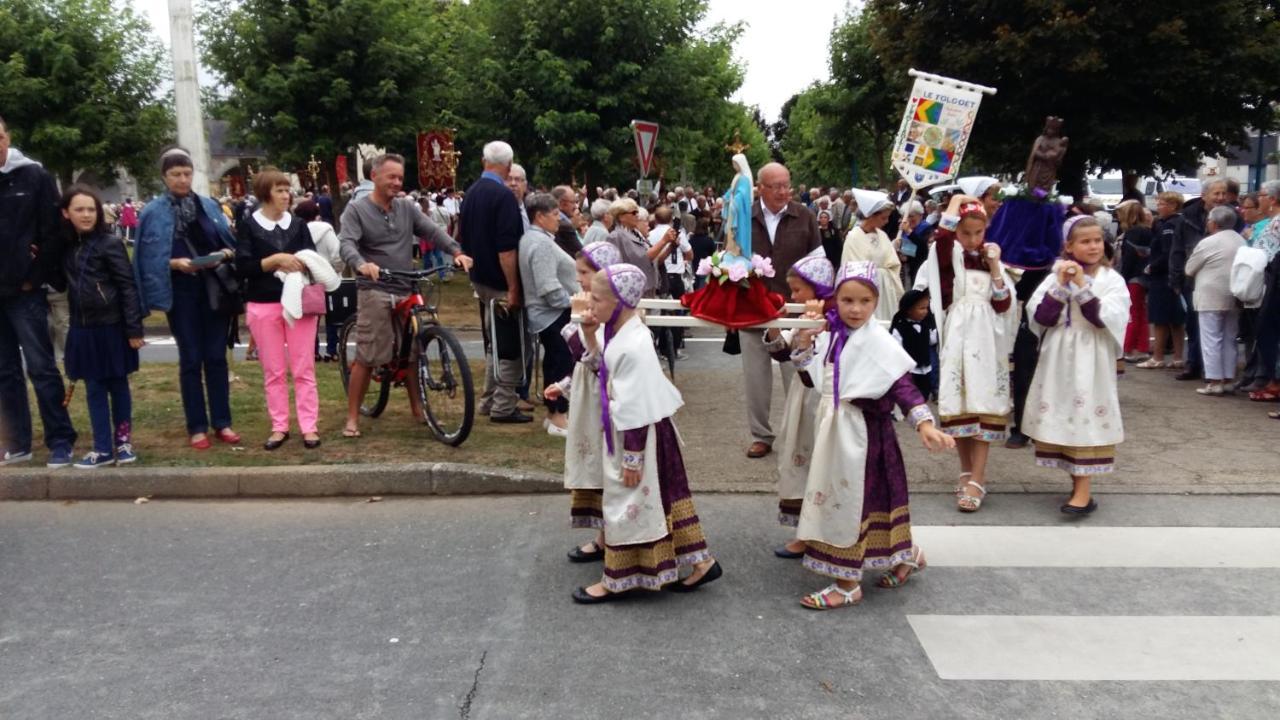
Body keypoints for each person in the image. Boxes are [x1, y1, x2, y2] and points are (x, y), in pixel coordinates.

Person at [789, 260, 954, 610]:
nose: (855, 308)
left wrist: (925, 423)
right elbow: (814, 378)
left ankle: (848, 584)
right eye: (847, 300)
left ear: (876, 302)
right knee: (871, 503)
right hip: (836, 431)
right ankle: (907, 555)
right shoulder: (832, 333)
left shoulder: (878, 341)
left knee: (852, 505)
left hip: (867, 439)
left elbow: (902, 386)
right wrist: (803, 343)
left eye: (864, 301)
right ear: (836, 298)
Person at [571, 263, 722, 603]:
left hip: (638, 436)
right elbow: (604, 374)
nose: (589, 304)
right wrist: (592, 334)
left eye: (596, 299)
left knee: (629, 500)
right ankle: (702, 562)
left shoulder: (633, 344)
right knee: (665, 497)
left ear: (620, 302)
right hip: (642, 432)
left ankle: (619, 577)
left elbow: (635, 404)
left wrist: (633, 457)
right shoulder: (621, 332)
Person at [339, 153, 469, 436]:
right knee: (368, 353)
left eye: (400, 177)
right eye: (391, 177)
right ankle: (352, 419)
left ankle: (417, 408)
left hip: (405, 284)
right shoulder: (357, 210)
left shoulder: (407, 208)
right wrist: (362, 264)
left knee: (412, 350)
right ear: (374, 176)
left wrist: (456, 251)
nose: (397, 183)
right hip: (375, 288)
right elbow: (346, 244)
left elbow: (432, 231)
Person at [134, 147, 241, 451]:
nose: (182, 179)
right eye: (175, 174)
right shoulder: (152, 211)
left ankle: (222, 421)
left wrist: (224, 254)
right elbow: (145, 257)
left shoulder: (208, 205)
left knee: (217, 357)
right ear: (164, 177)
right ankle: (196, 426)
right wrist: (174, 263)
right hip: (180, 292)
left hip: (212, 287)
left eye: (186, 173)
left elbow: (229, 242)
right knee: (191, 358)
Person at [916, 194, 1017, 512]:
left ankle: (978, 476)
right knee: (959, 404)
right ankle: (964, 469)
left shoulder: (991, 258)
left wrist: (994, 265)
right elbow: (942, 236)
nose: (972, 239)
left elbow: (1003, 302)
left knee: (984, 403)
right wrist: (957, 200)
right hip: (957, 339)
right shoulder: (949, 258)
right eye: (966, 232)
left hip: (987, 340)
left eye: (978, 232)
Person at [1023, 216, 1130, 514]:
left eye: (1097, 240)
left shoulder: (1112, 280)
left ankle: (1083, 491)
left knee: (1085, 416)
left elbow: (1101, 318)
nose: (1093, 246)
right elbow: (1042, 317)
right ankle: (1077, 482)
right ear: (1069, 246)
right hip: (1059, 357)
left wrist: (1082, 285)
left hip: (1091, 357)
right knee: (1065, 414)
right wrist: (1060, 285)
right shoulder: (1054, 275)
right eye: (1085, 241)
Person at [0, 118, 77, 467]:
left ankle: (60, 438)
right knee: (4, 371)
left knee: (41, 366)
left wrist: (34, 277)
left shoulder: (34, 176)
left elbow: (55, 232)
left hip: (24, 291)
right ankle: (18, 442)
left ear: (8, 138)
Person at [235, 169, 326, 451]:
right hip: (264, 304)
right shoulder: (249, 225)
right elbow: (243, 266)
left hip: (299, 303)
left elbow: (313, 259)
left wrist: (299, 262)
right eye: (280, 191)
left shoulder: (298, 224)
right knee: (273, 370)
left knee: (304, 368)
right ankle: (279, 426)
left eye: (288, 190)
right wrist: (274, 260)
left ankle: (309, 426)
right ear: (266, 194)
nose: (287, 196)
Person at [547, 241, 622, 564]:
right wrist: (564, 386)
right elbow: (583, 367)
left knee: (606, 466)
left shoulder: (614, 313)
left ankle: (615, 537)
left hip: (606, 403)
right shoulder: (589, 306)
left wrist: (576, 330)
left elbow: (600, 363)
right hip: (588, 398)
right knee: (593, 466)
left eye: (585, 272)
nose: (579, 278)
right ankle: (604, 536)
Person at [743, 162, 823, 459]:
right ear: (760, 188)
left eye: (786, 185)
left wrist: (815, 302)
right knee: (755, 379)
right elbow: (729, 259)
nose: (782, 191)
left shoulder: (805, 216)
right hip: (752, 308)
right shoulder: (743, 216)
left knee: (798, 375)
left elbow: (818, 262)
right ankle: (761, 435)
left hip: (795, 310)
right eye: (775, 186)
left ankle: (798, 434)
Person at [59, 186, 142, 468]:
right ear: (66, 213)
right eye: (79, 209)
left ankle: (124, 443)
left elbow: (127, 287)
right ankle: (103, 448)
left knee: (118, 385)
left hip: (113, 326)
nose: (86, 215)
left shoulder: (110, 243)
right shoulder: (65, 246)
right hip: (83, 328)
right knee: (93, 387)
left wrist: (133, 329)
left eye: (91, 209)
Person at [765, 254, 834, 556]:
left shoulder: (833, 321)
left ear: (818, 289)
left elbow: (814, 374)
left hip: (823, 400)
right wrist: (774, 327)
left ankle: (823, 532)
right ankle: (805, 533)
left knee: (822, 462)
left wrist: (808, 332)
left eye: (798, 291)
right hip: (802, 401)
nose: (793, 297)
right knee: (800, 460)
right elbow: (781, 353)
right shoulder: (803, 318)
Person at [456, 142, 526, 423]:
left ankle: (488, 399)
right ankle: (503, 404)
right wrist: (513, 287)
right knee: (509, 343)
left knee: (493, 342)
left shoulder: (471, 193)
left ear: (484, 161)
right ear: (508, 166)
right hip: (499, 279)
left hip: (480, 276)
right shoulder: (503, 196)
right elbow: (507, 250)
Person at [518, 193, 579, 435]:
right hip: (552, 313)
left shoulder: (537, 238)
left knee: (556, 360)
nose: (559, 219)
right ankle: (557, 415)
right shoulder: (540, 242)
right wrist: (572, 302)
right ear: (540, 217)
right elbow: (547, 285)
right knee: (562, 363)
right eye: (554, 215)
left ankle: (553, 412)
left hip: (550, 312)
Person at [1170, 178, 1228, 381]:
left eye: (1223, 193)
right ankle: (1194, 364)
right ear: (1204, 196)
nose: (1221, 197)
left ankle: (1215, 370)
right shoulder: (1187, 217)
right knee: (1194, 323)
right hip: (1192, 276)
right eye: (1216, 193)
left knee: (1221, 328)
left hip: (1221, 275)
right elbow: (1177, 249)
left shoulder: (1230, 216)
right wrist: (1176, 278)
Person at [1185, 206, 1246, 396]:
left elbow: (1189, 268)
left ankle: (1214, 381)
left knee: (1211, 338)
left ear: (1213, 222)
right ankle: (1228, 378)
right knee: (1230, 337)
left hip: (1210, 294)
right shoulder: (1241, 240)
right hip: (1235, 293)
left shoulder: (1208, 242)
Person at [1137, 192, 1187, 370]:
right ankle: (1178, 357)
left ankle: (1157, 356)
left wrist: (1151, 266)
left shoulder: (1168, 226)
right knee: (1176, 319)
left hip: (1163, 276)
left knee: (1160, 318)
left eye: (1163, 203)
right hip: (1174, 276)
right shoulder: (1179, 222)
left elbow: (1168, 252)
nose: (1159, 206)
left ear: (1174, 205)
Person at [840, 189, 903, 322]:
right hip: (866, 293)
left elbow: (893, 264)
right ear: (871, 215)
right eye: (883, 218)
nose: (886, 222)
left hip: (886, 294)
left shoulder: (882, 235)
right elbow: (853, 268)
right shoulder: (854, 237)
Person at [294, 199, 343, 361]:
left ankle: (312, 350)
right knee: (332, 316)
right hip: (327, 276)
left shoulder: (296, 230)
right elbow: (337, 254)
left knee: (311, 315)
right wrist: (336, 270)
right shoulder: (326, 230)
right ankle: (331, 350)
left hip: (308, 279)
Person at [605, 198, 673, 295]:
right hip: (631, 290)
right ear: (621, 217)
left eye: (637, 212)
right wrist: (663, 241)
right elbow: (643, 258)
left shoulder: (637, 234)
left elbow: (653, 259)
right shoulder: (616, 236)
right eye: (634, 213)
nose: (637, 215)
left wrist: (670, 246)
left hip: (647, 287)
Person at [1115, 200, 1153, 362]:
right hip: (1144, 277)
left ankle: (1129, 348)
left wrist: (1122, 278)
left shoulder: (1132, 233)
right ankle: (1141, 347)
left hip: (1133, 278)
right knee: (1140, 313)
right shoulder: (1147, 231)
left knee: (1132, 313)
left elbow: (1129, 259)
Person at [891, 289, 938, 401]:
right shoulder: (900, 328)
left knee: (924, 396)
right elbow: (896, 350)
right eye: (921, 308)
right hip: (910, 372)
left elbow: (932, 340)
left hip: (925, 370)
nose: (925, 311)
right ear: (908, 310)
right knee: (912, 399)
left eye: (926, 308)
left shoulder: (926, 326)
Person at [551, 185, 583, 256]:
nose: (576, 206)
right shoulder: (564, 226)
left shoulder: (560, 222)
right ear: (561, 204)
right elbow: (582, 253)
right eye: (573, 202)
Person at [688, 216, 715, 290]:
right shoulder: (709, 240)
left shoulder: (691, 240)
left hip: (693, 267)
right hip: (705, 268)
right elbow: (713, 253)